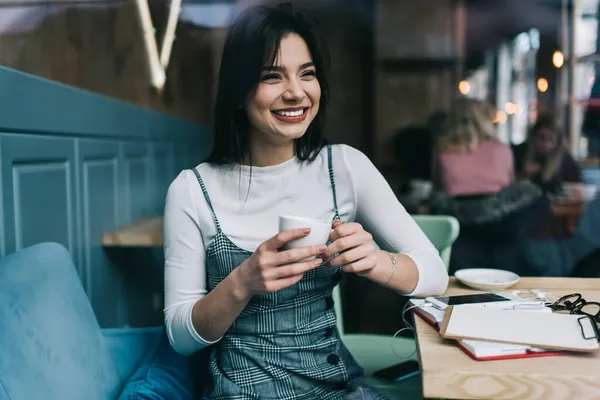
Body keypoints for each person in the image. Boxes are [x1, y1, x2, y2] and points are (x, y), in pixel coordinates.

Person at [163, 5, 448, 399]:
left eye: (307, 74)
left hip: (337, 386)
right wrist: (243, 282)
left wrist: (376, 262)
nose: (296, 91)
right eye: (272, 76)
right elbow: (181, 335)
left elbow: (434, 272)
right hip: (243, 391)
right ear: (238, 89)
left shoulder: (344, 167)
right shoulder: (192, 190)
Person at [433, 98, 514, 196]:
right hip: (496, 208)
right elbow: (510, 186)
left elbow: (438, 186)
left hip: (454, 207)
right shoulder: (502, 149)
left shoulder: (443, 148)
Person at [513, 115, 582, 194]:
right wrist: (523, 174)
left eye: (551, 140)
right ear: (533, 136)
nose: (545, 144)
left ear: (558, 143)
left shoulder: (567, 162)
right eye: (541, 137)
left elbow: (574, 190)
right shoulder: (519, 153)